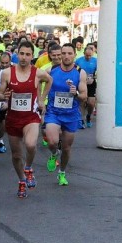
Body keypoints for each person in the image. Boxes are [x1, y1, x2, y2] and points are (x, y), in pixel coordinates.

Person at [0, 41, 52, 198]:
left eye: (28, 54)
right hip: (13, 118)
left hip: (30, 118)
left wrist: (41, 99)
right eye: (22, 54)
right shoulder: (7, 73)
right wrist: (3, 96)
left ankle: (28, 168)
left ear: (32, 56)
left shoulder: (37, 73)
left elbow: (49, 80)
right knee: (15, 155)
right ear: (17, 54)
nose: (24, 57)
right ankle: (21, 181)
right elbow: (0, 94)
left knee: (30, 144)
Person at [44, 43, 87, 186]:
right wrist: (39, 100)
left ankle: (61, 172)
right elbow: (37, 82)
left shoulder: (80, 72)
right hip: (53, 112)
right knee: (53, 141)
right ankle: (54, 154)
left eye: (70, 53)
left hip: (71, 114)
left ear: (75, 55)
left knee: (67, 148)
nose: (66, 56)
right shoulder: (51, 70)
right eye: (64, 53)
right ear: (60, 55)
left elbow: (84, 96)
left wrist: (76, 93)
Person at [75, 45, 97, 128]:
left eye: (90, 55)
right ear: (84, 53)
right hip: (81, 82)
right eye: (87, 55)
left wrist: (94, 77)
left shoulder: (96, 61)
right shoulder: (78, 61)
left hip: (91, 83)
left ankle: (88, 116)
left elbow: (100, 72)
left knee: (91, 103)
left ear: (93, 54)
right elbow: (75, 71)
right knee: (82, 101)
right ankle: (82, 119)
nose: (88, 57)